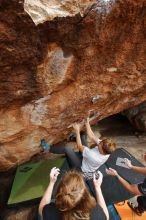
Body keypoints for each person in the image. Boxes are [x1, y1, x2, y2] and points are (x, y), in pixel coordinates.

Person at [39, 167, 109, 220]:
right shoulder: (95, 211)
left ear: (59, 191)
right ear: (86, 195)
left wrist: (52, 182)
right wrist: (97, 188)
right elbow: (106, 216)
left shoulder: (51, 211)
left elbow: (41, 209)